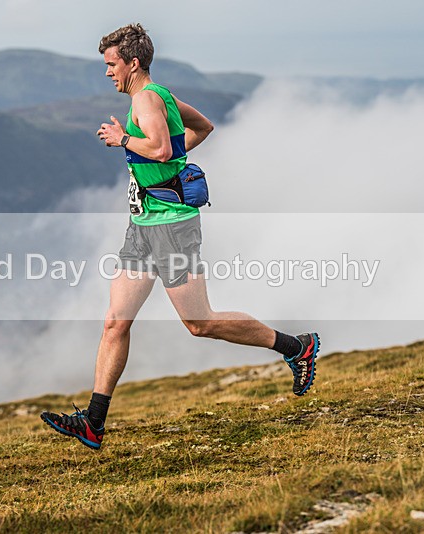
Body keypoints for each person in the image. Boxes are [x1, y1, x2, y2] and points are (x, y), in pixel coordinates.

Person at [41, 23, 319, 450]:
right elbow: (202, 127)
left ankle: (296, 347)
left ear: (133, 63)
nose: (108, 72)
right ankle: (94, 423)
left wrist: (123, 140)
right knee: (115, 322)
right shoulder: (161, 96)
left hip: (172, 227)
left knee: (199, 322)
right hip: (143, 227)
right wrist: (165, 176)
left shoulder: (147, 99)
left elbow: (161, 149)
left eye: (112, 64)